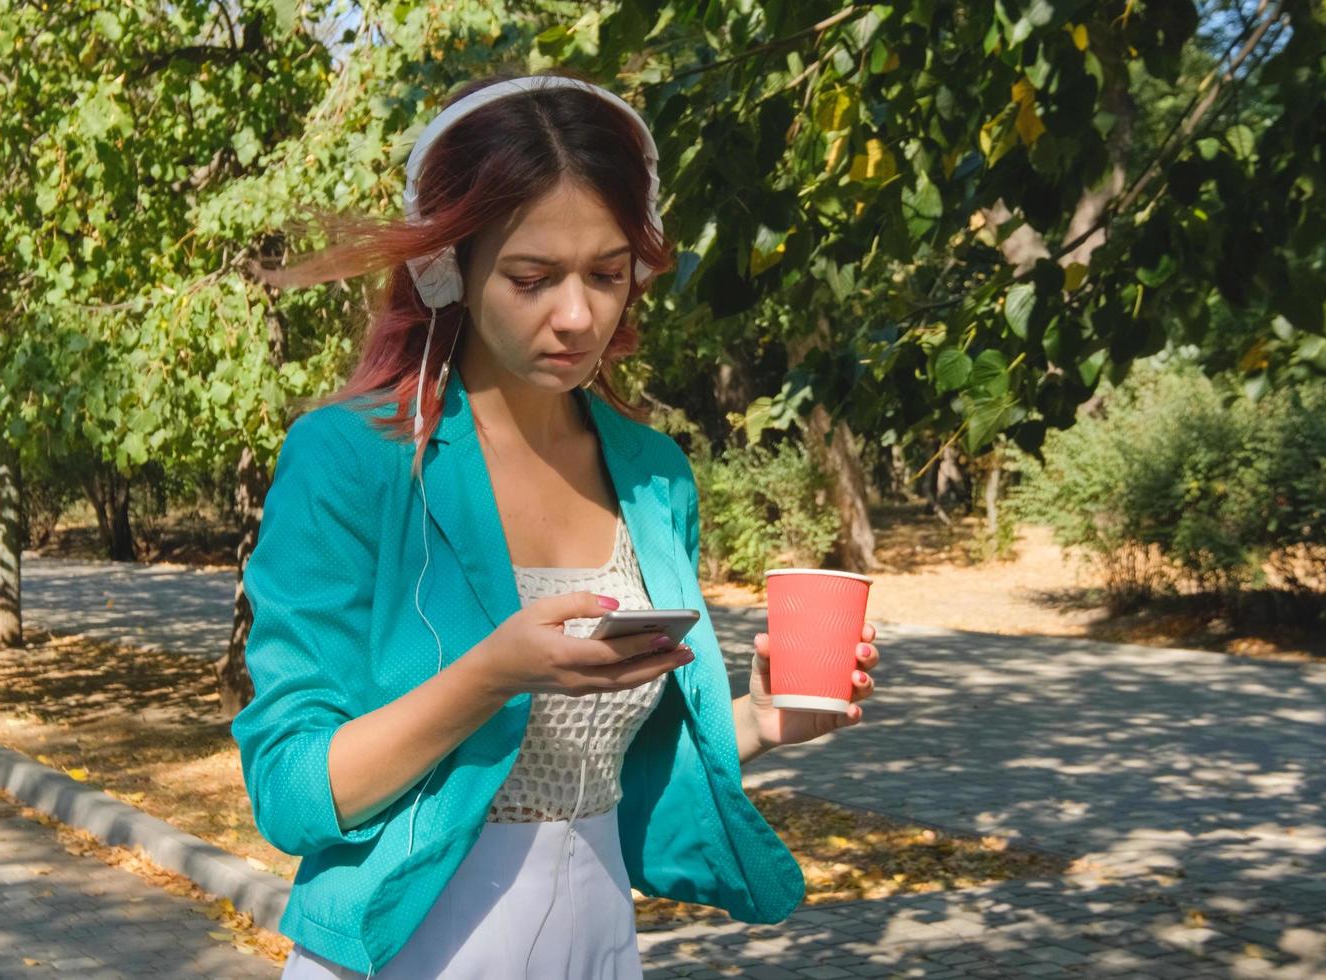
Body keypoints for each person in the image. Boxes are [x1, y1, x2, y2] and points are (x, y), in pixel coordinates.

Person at [232, 71, 882, 979]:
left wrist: (761, 720)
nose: (577, 316)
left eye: (607, 274)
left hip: (599, 945)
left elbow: (611, 769)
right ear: (448, 267)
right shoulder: (352, 460)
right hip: (407, 954)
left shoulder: (655, 476)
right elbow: (293, 794)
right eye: (532, 277)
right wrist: (495, 672)